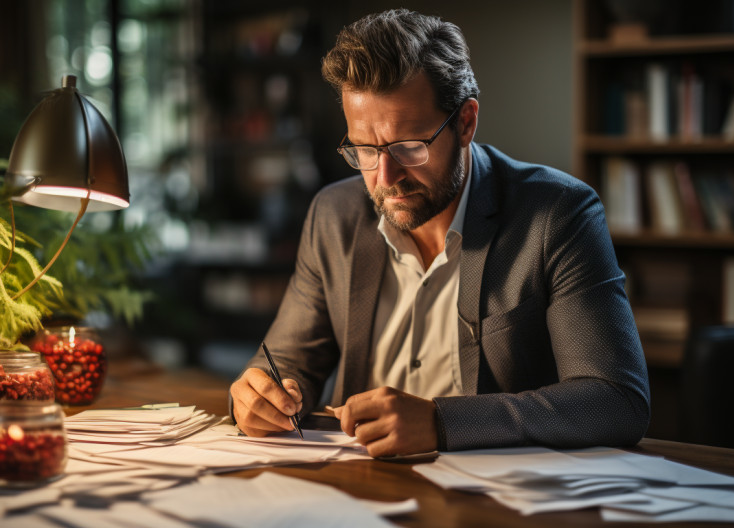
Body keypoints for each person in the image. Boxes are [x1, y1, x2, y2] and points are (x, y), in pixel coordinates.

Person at [228, 8, 650, 458]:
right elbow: (285, 366)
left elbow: (616, 401)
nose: (385, 176)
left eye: (409, 146)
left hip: (499, 502)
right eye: (365, 150)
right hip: (359, 490)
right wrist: (258, 399)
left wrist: (442, 422)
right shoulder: (334, 215)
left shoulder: (557, 213)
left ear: (466, 122)